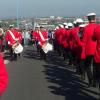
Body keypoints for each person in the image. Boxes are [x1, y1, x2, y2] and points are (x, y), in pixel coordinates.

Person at [82, 12, 97, 87]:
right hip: (97, 50)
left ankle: (90, 80)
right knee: (95, 66)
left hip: (88, 50)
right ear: (95, 18)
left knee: (87, 66)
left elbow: (84, 41)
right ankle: (95, 81)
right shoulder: (98, 27)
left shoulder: (86, 28)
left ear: (88, 19)